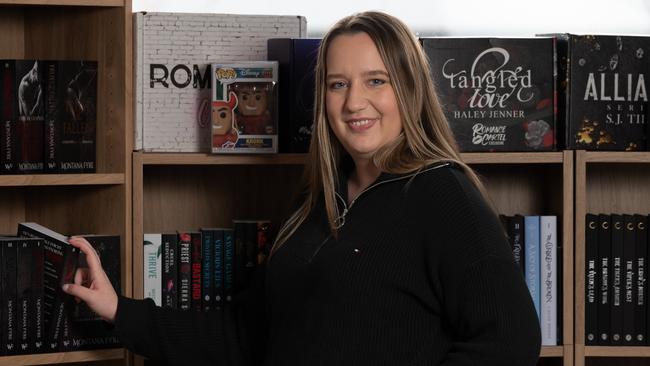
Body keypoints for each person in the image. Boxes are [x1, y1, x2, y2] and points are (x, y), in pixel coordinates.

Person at [63, 11, 541, 366]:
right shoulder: (318, 200)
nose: (355, 101)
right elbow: (246, 336)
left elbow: (510, 342)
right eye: (338, 84)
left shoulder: (442, 193)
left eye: (376, 81)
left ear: (409, 88)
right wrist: (119, 311)